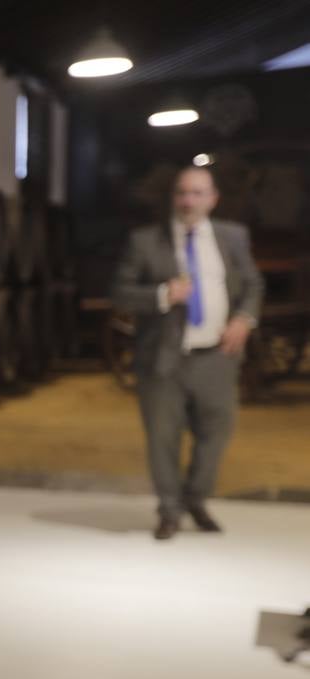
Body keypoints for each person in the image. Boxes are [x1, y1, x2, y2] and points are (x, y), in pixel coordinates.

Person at [111, 165, 263, 540]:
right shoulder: (145, 241)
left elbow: (253, 285)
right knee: (163, 437)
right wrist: (162, 295)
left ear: (213, 199)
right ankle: (169, 510)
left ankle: (195, 497)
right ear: (173, 198)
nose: (188, 200)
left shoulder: (233, 237)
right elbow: (119, 293)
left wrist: (244, 318)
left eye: (197, 193)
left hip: (217, 356)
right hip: (164, 358)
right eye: (182, 192)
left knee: (216, 433)